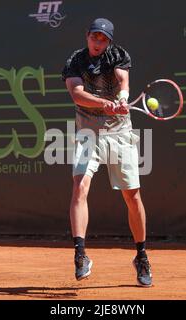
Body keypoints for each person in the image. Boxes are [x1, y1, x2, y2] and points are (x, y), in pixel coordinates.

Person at [61, 18, 152, 287]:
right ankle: (80, 254)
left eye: (103, 39)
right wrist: (103, 103)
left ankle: (141, 255)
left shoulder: (118, 55)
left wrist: (122, 99)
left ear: (109, 42)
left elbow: (123, 80)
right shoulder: (74, 61)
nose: (98, 42)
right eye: (94, 37)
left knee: (132, 195)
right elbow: (77, 94)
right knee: (79, 187)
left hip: (120, 134)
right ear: (87, 35)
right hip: (88, 133)